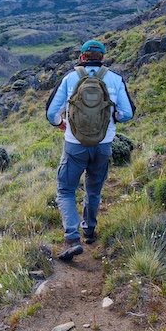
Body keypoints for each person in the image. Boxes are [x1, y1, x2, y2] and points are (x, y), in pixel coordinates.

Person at [45, 40, 135, 261]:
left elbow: (50, 113)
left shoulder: (70, 78)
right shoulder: (115, 79)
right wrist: (114, 117)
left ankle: (72, 238)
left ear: (83, 57)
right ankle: (90, 230)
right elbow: (128, 113)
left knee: (66, 190)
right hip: (103, 145)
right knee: (93, 189)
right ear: (102, 58)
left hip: (75, 145)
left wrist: (60, 124)